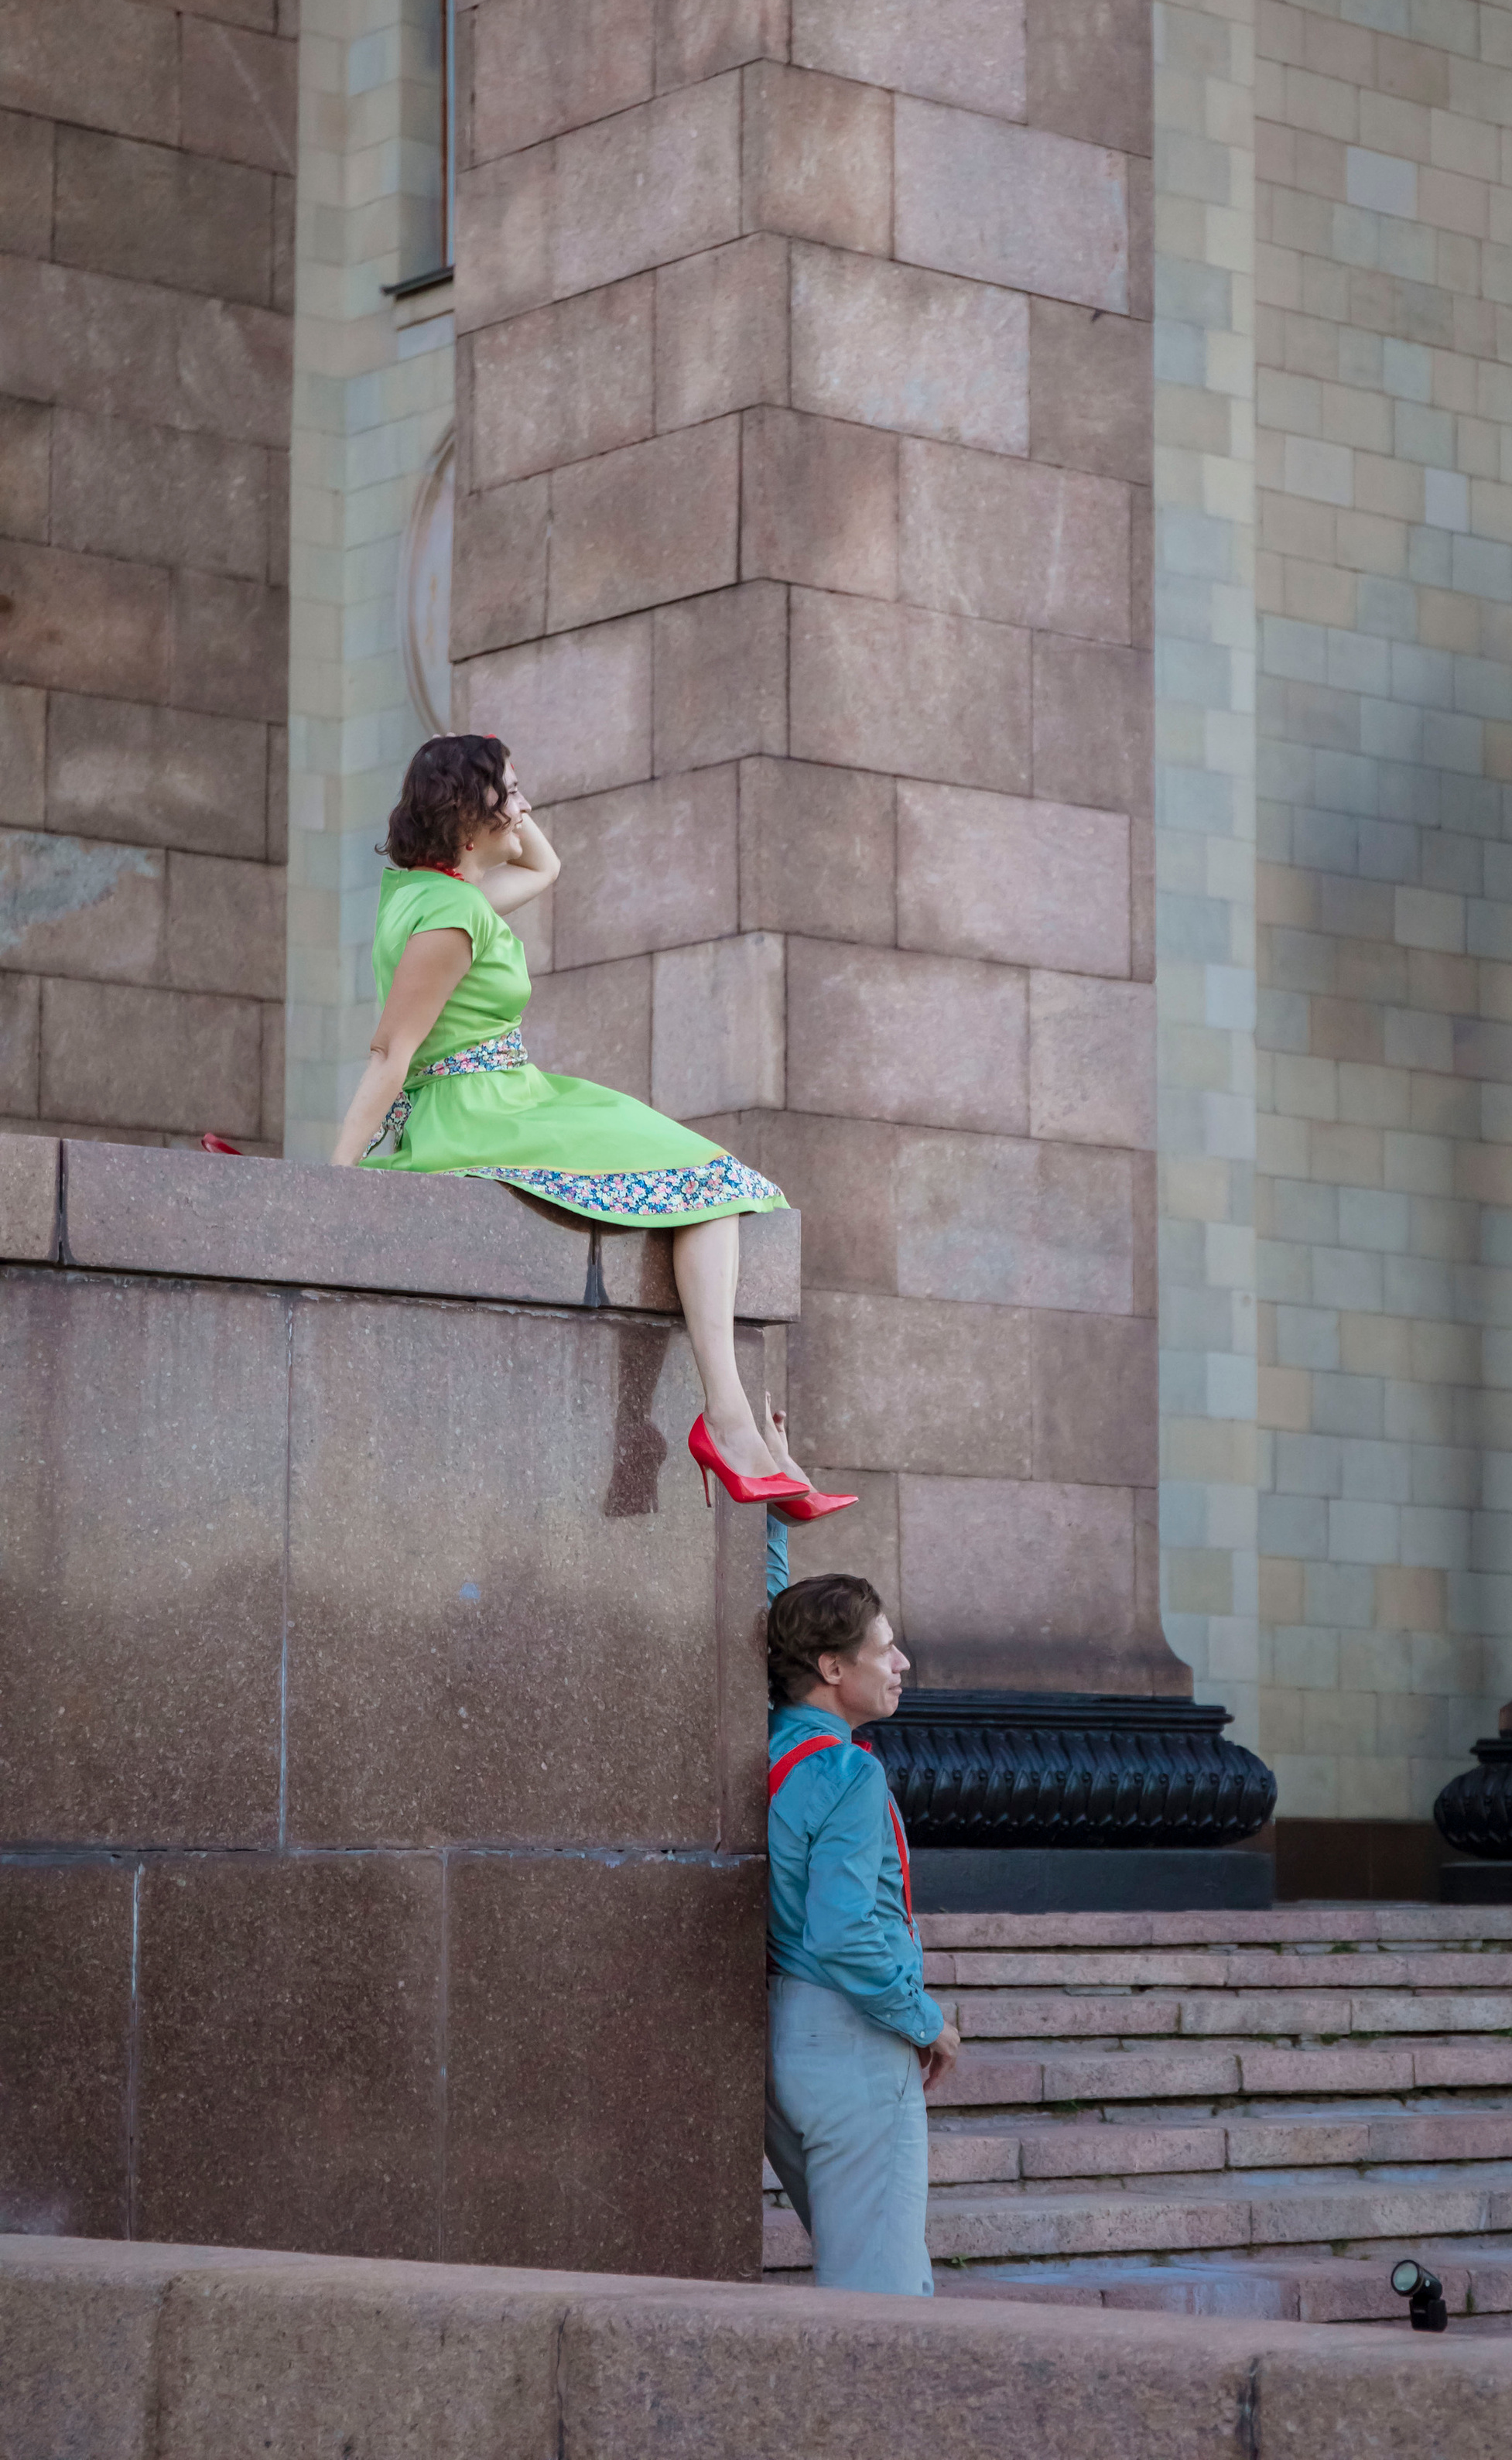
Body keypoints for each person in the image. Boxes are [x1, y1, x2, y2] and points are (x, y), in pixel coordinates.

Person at [331, 731, 850, 1519]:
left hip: (516, 1096)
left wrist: (493, 789)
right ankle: (730, 1425)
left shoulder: (441, 895)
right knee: (714, 1183)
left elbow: (545, 867)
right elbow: (390, 1053)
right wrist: (332, 1182)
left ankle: (749, 1432)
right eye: (511, 792)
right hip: (479, 1114)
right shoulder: (447, 915)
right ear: (469, 817)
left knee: (723, 1184)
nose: (527, 804)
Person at [763, 1571, 962, 2297]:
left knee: (862, 2275)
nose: (902, 1661)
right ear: (832, 1667)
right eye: (885, 1647)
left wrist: (774, 1514)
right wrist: (925, 2022)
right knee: (883, 2300)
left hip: (780, 2035)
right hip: (851, 2041)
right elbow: (846, 1933)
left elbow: (766, 1614)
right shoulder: (848, 1772)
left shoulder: (765, 1741)